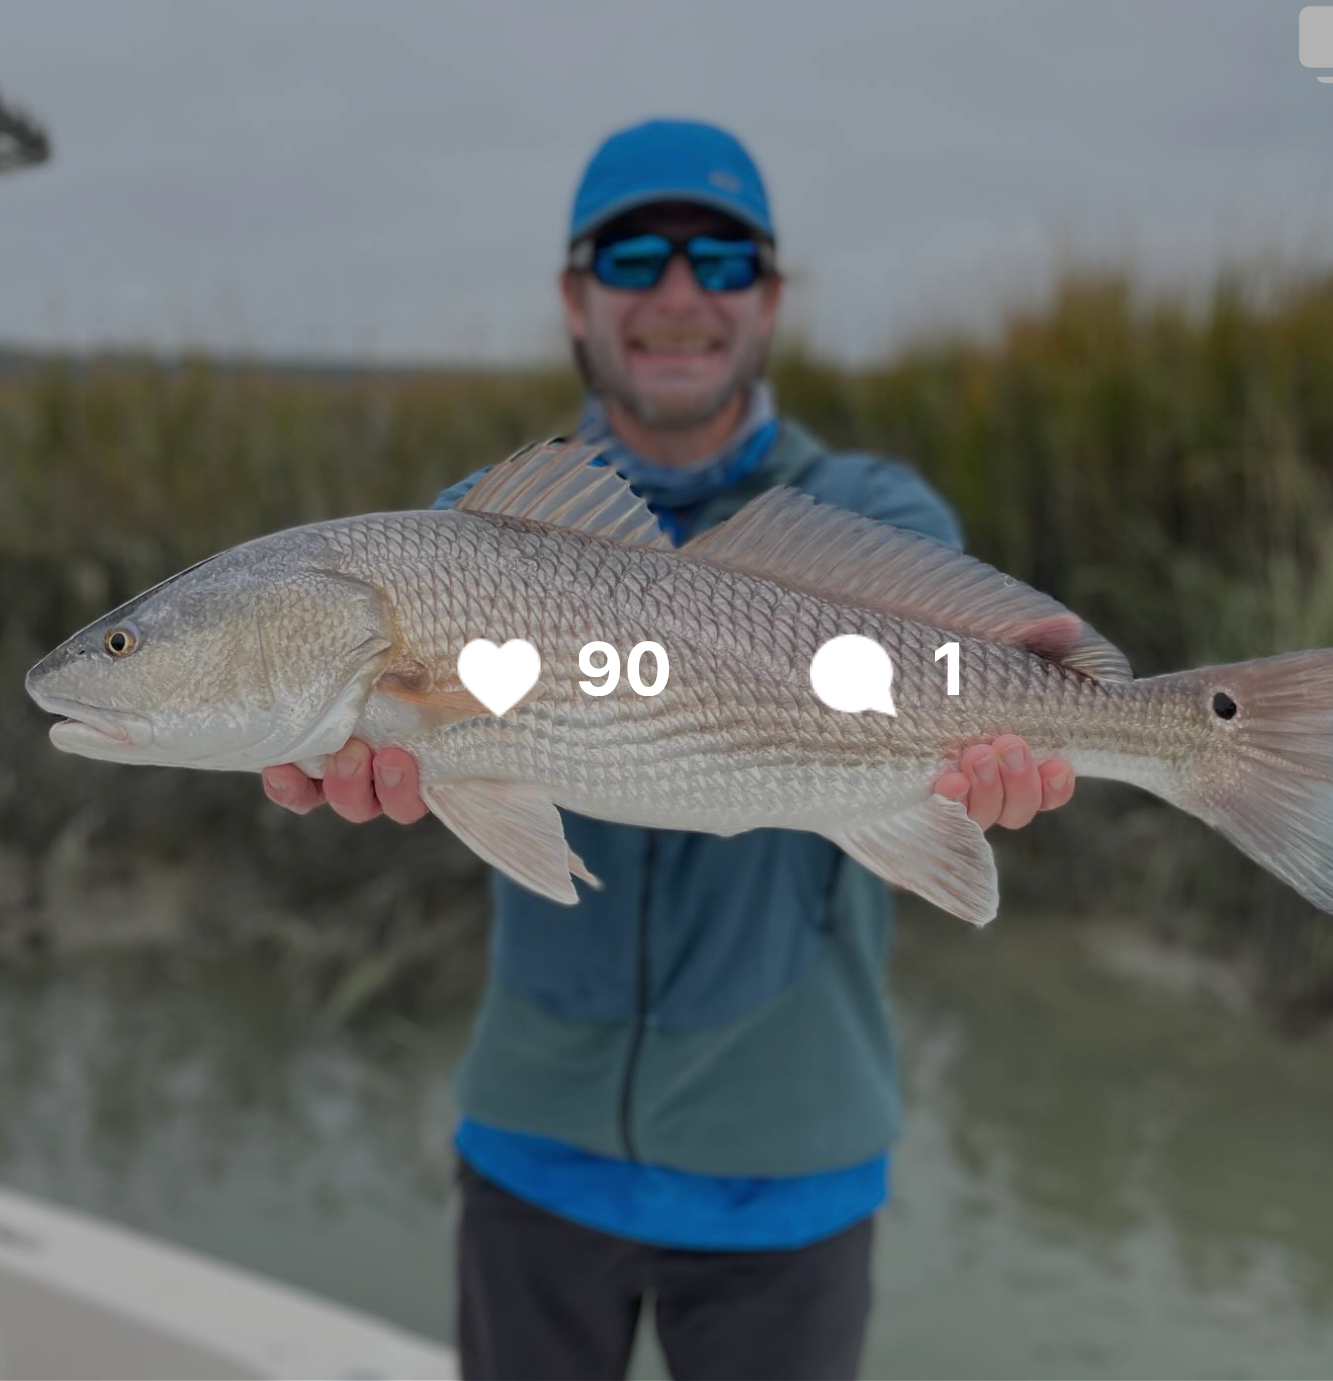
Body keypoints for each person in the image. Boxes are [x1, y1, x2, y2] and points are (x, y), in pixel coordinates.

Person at [261, 119, 1075, 1381]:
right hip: (533, 1146)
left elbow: (996, 696)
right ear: (577, 298)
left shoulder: (878, 516)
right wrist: (366, 764)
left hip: (790, 1165)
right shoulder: (467, 530)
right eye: (636, 256)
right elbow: (441, 768)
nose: (680, 291)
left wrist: (1045, 735)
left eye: (723, 258)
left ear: (772, 296)